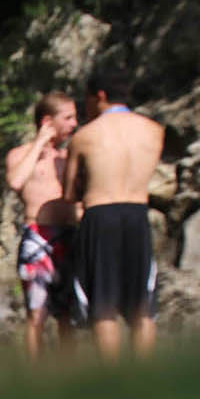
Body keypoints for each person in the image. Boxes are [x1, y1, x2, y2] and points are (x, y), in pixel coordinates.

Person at [64, 75, 165, 360]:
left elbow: (69, 193)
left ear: (101, 95)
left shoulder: (85, 136)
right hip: (137, 212)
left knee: (103, 304)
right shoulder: (154, 131)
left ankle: (115, 381)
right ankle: (145, 378)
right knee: (143, 304)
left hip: (100, 213)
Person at [5, 91, 83, 360]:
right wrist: (40, 143)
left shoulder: (69, 156)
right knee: (36, 314)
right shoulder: (20, 154)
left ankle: (70, 375)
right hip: (38, 236)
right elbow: (16, 181)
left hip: (70, 237)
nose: (74, 123)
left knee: (68, 317)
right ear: (48, 121)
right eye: (68, 117)